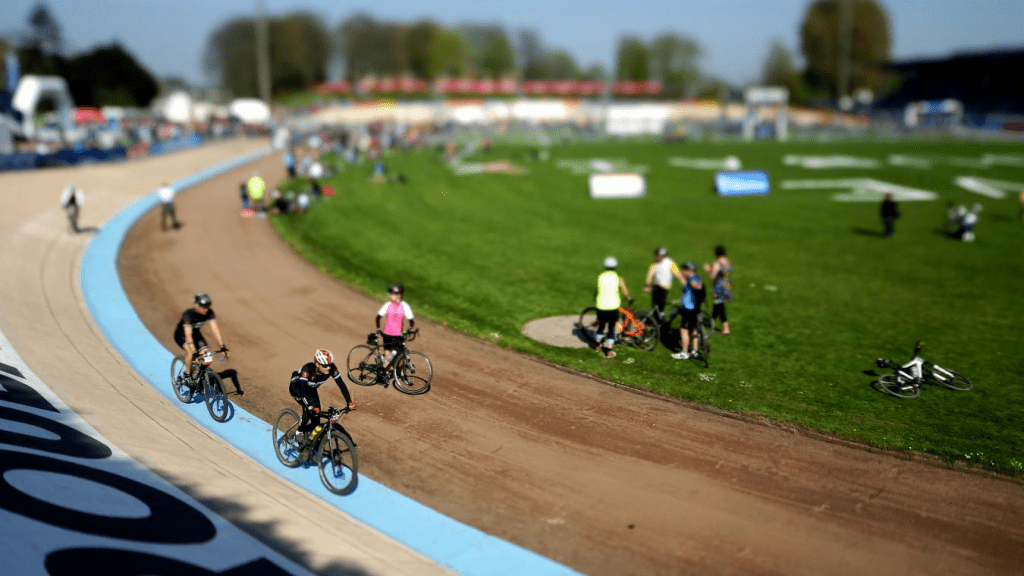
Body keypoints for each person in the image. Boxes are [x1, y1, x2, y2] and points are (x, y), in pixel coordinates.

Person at [288, 349, 356, 443]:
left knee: (316, 422)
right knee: (310, 410)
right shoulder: (307, 369)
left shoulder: (331, 368)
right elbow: (303, 391)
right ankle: (299, 432)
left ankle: (309, 443)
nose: (328, 367)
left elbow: (341, 384)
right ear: (317, 364)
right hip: (298, 388)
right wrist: (309, 406)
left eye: (329, 364)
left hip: (311, 389)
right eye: (325, 365)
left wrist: (349, 401)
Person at [173, 293, 228, 375]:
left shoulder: (209, 313)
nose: (206, 309)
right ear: (197, 306)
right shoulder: (188, 315)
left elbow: (215, 330)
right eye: (203, 307)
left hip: (195, 334)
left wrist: (222, 346)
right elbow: (188, 335)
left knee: (207, 357)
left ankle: (202, 376)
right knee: (190, 353)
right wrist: (194, 351)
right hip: (181, 335)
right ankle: (187, 374)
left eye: (207, 307)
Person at [594, 256, 631, 359]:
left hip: (601, 305)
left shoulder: (601, 276)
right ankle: (609, 351)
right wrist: (628, 297)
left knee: (601, 326)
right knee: (611, 327)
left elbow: (597, 290)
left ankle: (597, 345)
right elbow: (624, 290)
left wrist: (595, 298)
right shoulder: (617, 277)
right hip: (612, 306)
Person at [376, 283, 416, 366]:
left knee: (399, 355)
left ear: (399, 295)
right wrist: (378, 329)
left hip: (397, 334)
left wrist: (409, 328)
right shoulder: (389, 305)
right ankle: (385, 371)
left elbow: (411, 320)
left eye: (392, 294)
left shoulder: (404, 306)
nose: (390, 295)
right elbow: (378, 317)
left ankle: (397, 373)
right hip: (388, 333)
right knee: (389, 354)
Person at [671, 262, 704, 360]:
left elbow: (696, 287)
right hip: (695, 308)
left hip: (689, 308)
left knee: (684, 330)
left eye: (683, 270)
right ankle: (695, 351)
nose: (682, 272)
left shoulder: (691, 278)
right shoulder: (697, 277)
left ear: (688, 270)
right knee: (694, 329)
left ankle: (684, 353)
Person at [644, 247, 685, 324]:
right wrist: (648, 284)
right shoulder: (657, 264)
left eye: (657, 255)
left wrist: (685, 285)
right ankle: (658, 323)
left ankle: (656, 322)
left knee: (659, 308)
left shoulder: (669, 263)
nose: (656, 257)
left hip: (663, 289)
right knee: (658, 308)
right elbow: (650, 275)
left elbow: (678, 275)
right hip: (658, 288)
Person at [703, 246, 732, 335]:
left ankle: (725, 328)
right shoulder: (728, 262)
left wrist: (708, 269)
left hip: (719, 288)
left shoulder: (717, 264)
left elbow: (712, 277)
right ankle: (711, 321)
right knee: (718, 306)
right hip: (726, 286)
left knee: (719, 307)